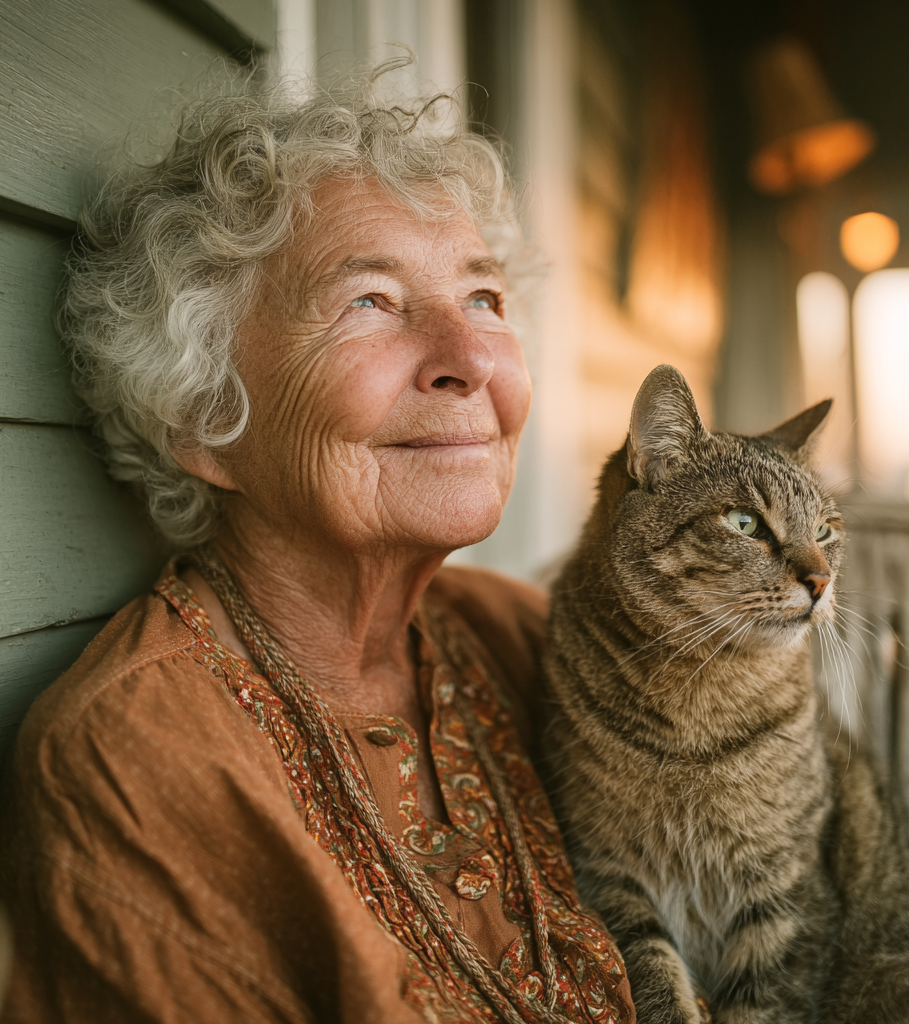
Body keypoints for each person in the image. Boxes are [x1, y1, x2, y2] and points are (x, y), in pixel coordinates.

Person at [0, 66, 635, 1024]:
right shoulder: (137, 760)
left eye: (485, 298)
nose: (469, 361)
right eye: (370, 302)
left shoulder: (523, 636)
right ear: (206, 417)